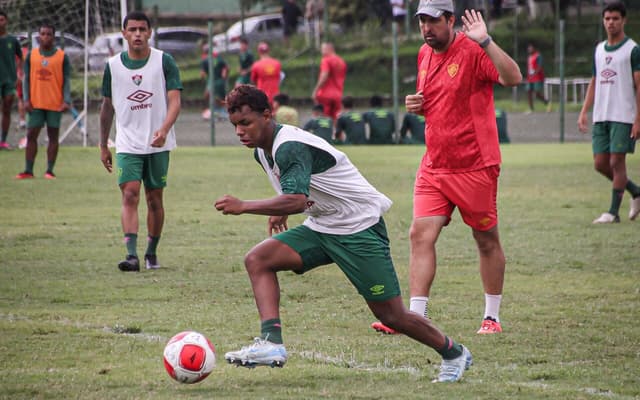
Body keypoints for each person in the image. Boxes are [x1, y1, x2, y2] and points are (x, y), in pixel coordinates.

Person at [215, 84, 473, 383]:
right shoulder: (262, 151)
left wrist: (245, 205)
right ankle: (272, 343)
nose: (240, 132)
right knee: (258, 259)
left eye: (246, 123)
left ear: (266, 115)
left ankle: (454, 353)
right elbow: (297, 189)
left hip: (358, 228)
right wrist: (280, 208)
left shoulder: (288, 145)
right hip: (323, 225)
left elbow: (297, 199)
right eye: (235, 126)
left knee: (392, 316)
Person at [371, 0, 522, 335]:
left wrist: (486, 41)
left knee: (485, 240)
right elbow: (439, 104)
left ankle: (492, 317)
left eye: (433, 21)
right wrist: (416, 105)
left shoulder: (473, 50)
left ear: (451, 20)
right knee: (419, 234)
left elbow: (513, 78)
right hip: (435, 165)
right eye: (422, 21)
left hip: (475, 166)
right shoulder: (424, 54)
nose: (426, 28)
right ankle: (414, 317)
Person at [99, 11, 182, 272]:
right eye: (132, 29)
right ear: (124, 33)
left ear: (149, 32)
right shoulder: (112, 66)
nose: (137, 34)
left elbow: (175, 101)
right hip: (127, 144)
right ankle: (131, 255)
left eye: (142, 29)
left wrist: (164, 129)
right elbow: (106, 107)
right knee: (130, 194)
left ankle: (151, 252)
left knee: (154, 199)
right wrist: (103, 145)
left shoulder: (164, 61)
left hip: (158, 144)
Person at [577, 1, 640, 224]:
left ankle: (613, 213)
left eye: (615, 18)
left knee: (616, 162)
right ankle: (636, 192)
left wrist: (638, 119)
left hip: (623, 116)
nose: (611, 22)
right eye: (607, 18)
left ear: (624, 20)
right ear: (603, 21)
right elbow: (594, 82)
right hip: (601, 115)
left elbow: (639, 85)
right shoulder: (599, 49)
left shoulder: (632, 49)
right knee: (600, 164)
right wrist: (584, 111)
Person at [15, 23, 71, 180]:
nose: (45, 37)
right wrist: (26, 99)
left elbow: (66, 80)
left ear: (53, 37)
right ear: (39, 36)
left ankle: (49, 171)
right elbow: (25, 80)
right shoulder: (31, 56)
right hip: (36, 103)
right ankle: (28, 170)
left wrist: (66, 99)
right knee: (31, 135)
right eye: (43, 34)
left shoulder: (62, 56)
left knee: (53, 136)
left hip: (55, 103)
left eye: (49, 34)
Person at [0, 10, 23, 149]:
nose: (0, 22)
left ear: (6, 21)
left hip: (9, 80)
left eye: (2, 19)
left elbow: (20, 57)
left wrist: (19, 74)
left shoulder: (12, 40)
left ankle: (3, 140)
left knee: (7, 108)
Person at [312, 42, 346, 121]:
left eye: (322, 49)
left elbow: (324, 75)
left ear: (329, 49)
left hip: (325, 95)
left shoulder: (326, 60)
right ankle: (336, 133)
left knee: (323, 120)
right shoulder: (341, 61)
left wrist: (316, 90)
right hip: (338, 95)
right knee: (336, 120)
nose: (321, 51)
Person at [200, 47, 228, 120]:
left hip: (217, 81)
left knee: (215, 97)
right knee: (209, 95)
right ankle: (211, 110)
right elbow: (203, 72)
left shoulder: (215, 59)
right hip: (213, 80)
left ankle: (221, 111)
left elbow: (225, 67)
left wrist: (224, 73)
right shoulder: (206, 60)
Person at [525, 43, 549, 113]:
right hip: (530, 78)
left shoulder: (538, 56)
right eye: (528, 48)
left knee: (537, 93)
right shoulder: (529, 57)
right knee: (528, 92)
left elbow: (539, 67)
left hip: (537, 78)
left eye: (531, 48)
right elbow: (529, 68)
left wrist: (535, 73)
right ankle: (531, 109)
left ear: (534, 48)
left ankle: (546, 102)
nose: (529, 49)